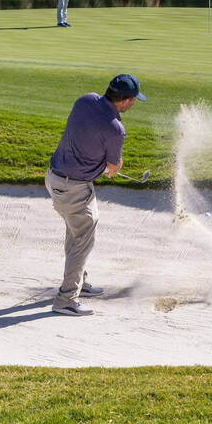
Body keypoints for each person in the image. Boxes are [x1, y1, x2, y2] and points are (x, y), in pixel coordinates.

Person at [45, 74, 146, 316]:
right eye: (133, 100)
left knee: (76, 231)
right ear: (124, 101)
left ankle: (80, 282)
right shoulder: (116, 128)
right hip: (75, 189)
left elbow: (85, 135)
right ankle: (66, 300)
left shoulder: (85, 100)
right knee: (83, 241)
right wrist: (113, 167)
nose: (133, 104)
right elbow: (113, 166)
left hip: (54, 178)